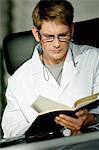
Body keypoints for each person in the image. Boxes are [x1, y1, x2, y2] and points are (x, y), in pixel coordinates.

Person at [2, 0, 99, 138]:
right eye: (49, 37)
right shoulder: (18, 80)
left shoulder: (94, 59)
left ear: (71, 30)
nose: (57, 44)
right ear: (36, 34)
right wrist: (41, 129)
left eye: (62, 35)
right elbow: (11, 130)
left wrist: (92, 119)